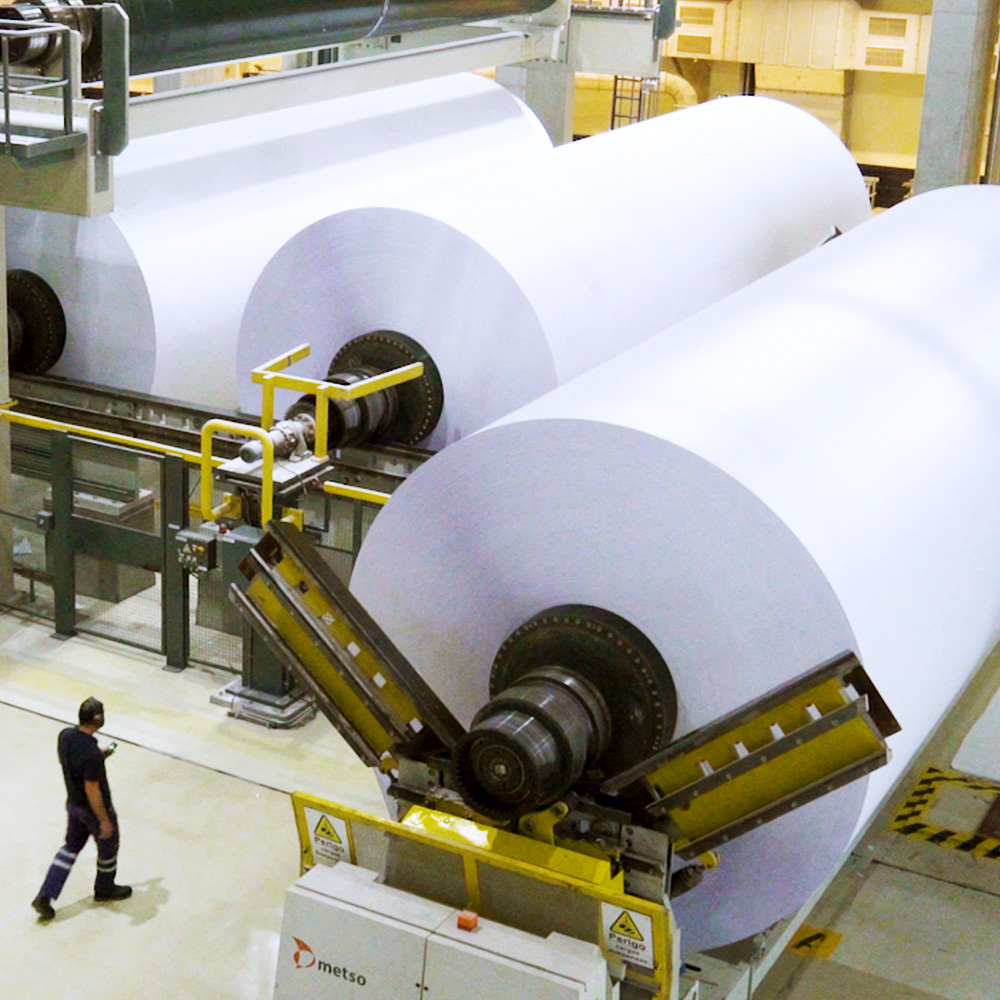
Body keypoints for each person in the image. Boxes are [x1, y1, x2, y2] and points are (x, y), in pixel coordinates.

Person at [32, 696, 131, 921]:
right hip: (91, 810)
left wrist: (100, 756)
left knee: (70, 847)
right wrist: (103, 820)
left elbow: (73, 761)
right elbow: (92, 790)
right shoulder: (91, 754)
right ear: (97, 719)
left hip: (74, 805)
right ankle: (105, 888)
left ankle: (45, 896)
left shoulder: (66, 736)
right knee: (108, 846)